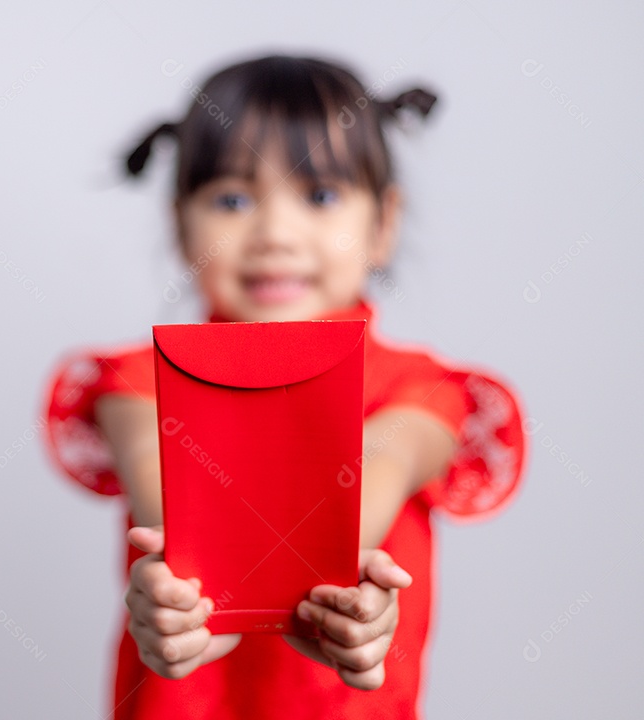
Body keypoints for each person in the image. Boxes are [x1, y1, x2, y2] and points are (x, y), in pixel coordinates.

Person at [40, 53, 528, 719]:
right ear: (181, 225)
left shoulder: (420, 393)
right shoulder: (138, 386)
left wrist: (335, 601)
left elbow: (373, 472)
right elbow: (169, 494)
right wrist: (191, 606)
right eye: (233, 200)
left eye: (320, 196)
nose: (274, 233)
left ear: (383, 223)